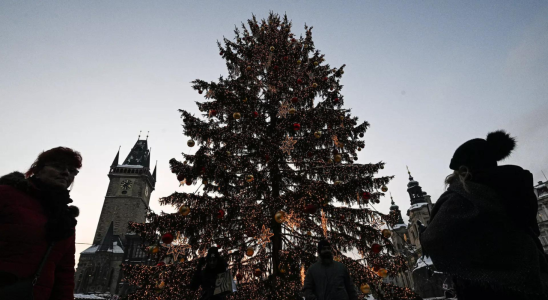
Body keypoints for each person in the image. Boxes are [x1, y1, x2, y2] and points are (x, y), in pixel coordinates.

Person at [420, 130, 548, 300]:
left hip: (487, 288)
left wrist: (423, 233)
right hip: (532, 277)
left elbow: (434, 239)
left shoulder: (465, 194)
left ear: (464, 170)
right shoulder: (514, 186)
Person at [0, 147, 81, 300]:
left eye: (72, 170)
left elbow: (64, 272)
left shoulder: (66, 218)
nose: (66, 173)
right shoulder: (6, 195)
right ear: (38, 169)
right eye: (58, 166)